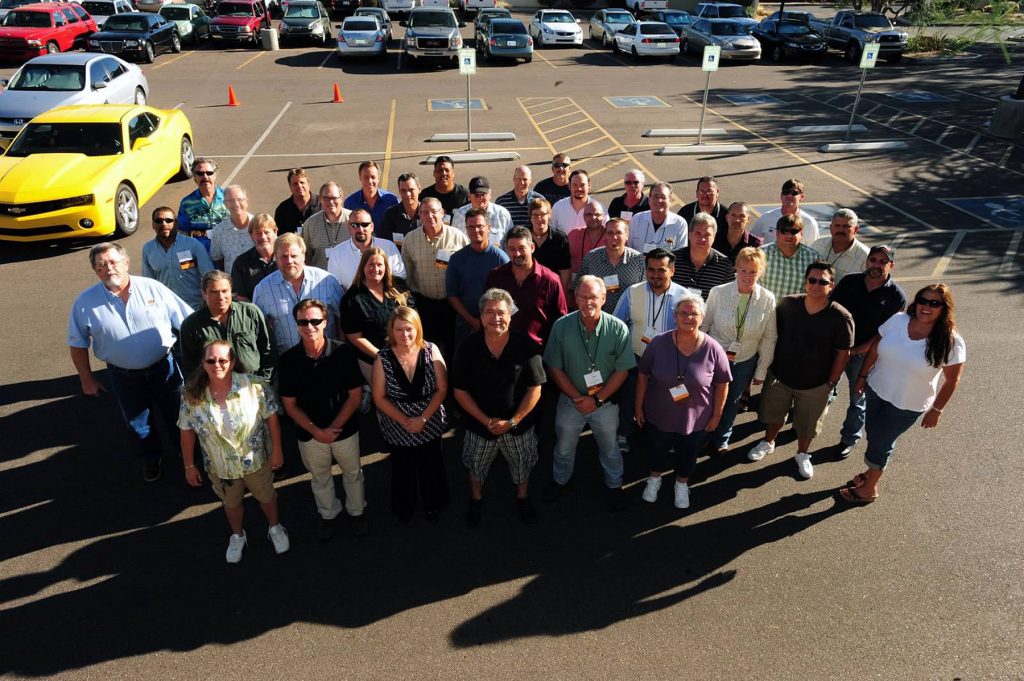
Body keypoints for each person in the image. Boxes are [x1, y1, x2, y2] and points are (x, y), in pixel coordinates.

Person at [69, 242, 193, 482]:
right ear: (96, 271)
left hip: (164, 367)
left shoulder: (153, 289)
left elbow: (187, 322)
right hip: (122, 375)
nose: (109, 268)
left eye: (113, 262)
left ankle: (186, 452)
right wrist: (86, 379)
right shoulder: (84, 302)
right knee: (138, 421)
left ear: (126, 262)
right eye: (102, 265)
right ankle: (151, 457)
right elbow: (77, 342)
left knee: (178, 414)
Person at [840, 284, 966, 504]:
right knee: (875, 434)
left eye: (934, 303)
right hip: (877, 390)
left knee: (880, 440)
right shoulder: (899, 321)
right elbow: (876, 346)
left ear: (944, 308)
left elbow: (952, 380)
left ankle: (870, 488)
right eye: (923, 300)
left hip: (907, 403)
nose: (927, 306)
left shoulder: (951, 342)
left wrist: (936, 410)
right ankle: (871, 472)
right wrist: (862, 376)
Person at [178, 339, 288, 563]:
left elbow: (272, 418)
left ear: (233, 361)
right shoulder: (191, 395)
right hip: (221, 466)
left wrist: (277, 450)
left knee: (266, 496)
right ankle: (238, 535)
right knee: (231, 502)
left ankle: (275, 528)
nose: (216, 364)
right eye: (211, 360)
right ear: (203, 362)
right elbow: (186, 430)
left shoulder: (255, 385)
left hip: (256, 459)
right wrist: (189, 465)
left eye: (222, 360)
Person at [747, 262, 854, 480]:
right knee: (773, 415)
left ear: (831, 285)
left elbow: (844, 353)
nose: (816, 285)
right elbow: (770, 335)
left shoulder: (841, 317)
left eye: (822, 281)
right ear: (805, 282)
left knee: (808, 424)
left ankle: (803, 454)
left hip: (816, 384)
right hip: (780, 376)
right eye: (812, 280)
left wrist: (831, 382)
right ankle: (768, 442)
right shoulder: (787, 304)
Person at [452, 288, 546, 526]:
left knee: (522, 463)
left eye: (501, 313)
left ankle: (522, 497)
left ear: (510, 315)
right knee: (475, 465)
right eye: (489, 312)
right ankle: (476, 498)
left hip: (517, 425)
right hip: (479, 425)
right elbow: (459, 391)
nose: (496, 318)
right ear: (481, 316)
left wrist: (513, 421)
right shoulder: (467, 347)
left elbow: (535, 388)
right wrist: (486, 421)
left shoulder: (525, 344)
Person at [542, 276, 635, 511]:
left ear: (604, 298)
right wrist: (578, 399)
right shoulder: (561, 326)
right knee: (563, 445)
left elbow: (623, 370)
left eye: (593, 297)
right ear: (575, 298)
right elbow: (554, 367)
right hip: (570, 400)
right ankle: (560, 480)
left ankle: (614, 484)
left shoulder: (618, 328)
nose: (587, 302)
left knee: (610, 446)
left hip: (604, 402)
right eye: (582, 297)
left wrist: (597, 399)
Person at [279, 299, 367, 540]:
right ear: (296, 325)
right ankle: (328, 514)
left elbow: (355, 395)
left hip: (344, 430)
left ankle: (357, 511)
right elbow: (289, 405)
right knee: (320, 478)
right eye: (303, 322)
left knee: (353, 473)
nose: (310, 326)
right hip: (310, 435)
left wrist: (333, 428)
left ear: (325, 322)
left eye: (315, 321)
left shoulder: (344, 352)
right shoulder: (287, 360)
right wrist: (316, 431)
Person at [635, 294, 731, 509]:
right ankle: (654, 479)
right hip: (659, 415)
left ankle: (681, 484)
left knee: (688, 454)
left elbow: (723, 383)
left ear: (702, 317)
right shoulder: (659, 343)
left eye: (694, 314)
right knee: (656, 449)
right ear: (675, 317)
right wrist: (638, 407)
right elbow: (642, 374)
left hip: (695, 420)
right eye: (683, 313)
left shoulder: (713, 348)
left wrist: (716, 415)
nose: (688, 317)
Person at [371, 306, 450, 522]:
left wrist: (422, 419)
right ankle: (404, 507)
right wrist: (406, 421)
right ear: (391, 331)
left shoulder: (431, 350)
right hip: (398, 424)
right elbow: (379, 398)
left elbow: (442, 389)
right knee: (402, 469)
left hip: (430, 419)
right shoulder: (382, 358)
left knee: (431, 465)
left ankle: (433, 503)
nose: (405, 335)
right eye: (399, 330)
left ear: (417, 329)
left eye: (409, 329)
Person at [829, 244, 906, 458]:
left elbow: (883, 334)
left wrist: (853, 352)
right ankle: (806, 426)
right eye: (873, 260)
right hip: (836, 348)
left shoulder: (896, 295)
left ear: (891, 265)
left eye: (883, 262)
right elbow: (831, 311)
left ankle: (849, 438)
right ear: (867, 261)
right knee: (822, 389)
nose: (877, 265)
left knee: (857, 398)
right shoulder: (850, 282)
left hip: (863, 354)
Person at [701, 247, 777, 452]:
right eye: (743, 270)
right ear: (736, 269)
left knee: (732, 401)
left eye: (753, 271)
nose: (747, 276)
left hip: (745, 359)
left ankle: (722, 437)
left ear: (760, 272)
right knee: (708, 397)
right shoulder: (718, 292)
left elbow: (769, 338)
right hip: (715, 357)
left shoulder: (768, 299)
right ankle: (703, 434)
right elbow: (704, 325)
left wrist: (761, 371)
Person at [612, 248, 687, 452]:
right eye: (651, 270)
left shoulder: (684, 296)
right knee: (628, 397)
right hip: (635, 357)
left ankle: (664, 435)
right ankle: (624, 433)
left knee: (665, 400)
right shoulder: (632, 292)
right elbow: (617, 324)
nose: (655, 274)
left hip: (668, 360)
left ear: (672, 270)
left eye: (661, 270)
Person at [253, 233, 344, 354]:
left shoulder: (327, 281)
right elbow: (258, 330)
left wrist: (340, 351)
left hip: (328, 359)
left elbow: (342, 320)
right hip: (286, 363)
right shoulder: (262, 290)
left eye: (294, 256)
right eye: (284, 256)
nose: (289, 261)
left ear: (303, 256)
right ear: (275, 257)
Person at [402, 197, 469, 359]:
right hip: (425, 304)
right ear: (419, 215)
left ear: (442, 213)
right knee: (426, 349)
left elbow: (467, 268)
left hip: (452, 304)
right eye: (425, 212)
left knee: (453, 349)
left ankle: (452, 382)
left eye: (434, 212)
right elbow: (406, 275)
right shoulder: (410, 240)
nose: (430, 216)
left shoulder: (458, 237)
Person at [179, 271, 274, 381]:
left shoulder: (251, 313)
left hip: (254, 385)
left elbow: (268, 350)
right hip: (214, 390)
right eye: (214, 292)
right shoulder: (191, 325)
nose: (221, 297)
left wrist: (263, 381)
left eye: (224, 291)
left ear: (231, 291)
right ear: (204, 294)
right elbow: (190, 367)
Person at [341, 247, 415, 382]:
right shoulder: (352, 298)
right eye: (371, 265)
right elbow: (355, 337)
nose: (376, 269)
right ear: (363, 267)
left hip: (406, 354)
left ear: (386, 267)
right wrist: (384, 357)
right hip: (373, 361)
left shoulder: (398, 286)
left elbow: (413, 319)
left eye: (380, 265)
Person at [485, 226, 566, 347]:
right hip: (502, 348)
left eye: (522, 248)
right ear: (506, 250)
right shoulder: (496, 277)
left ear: (532, 247)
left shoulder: (550, 280)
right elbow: (487, 312)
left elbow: (560, 321)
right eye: (512, 249)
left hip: (536, 351)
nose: (517, 253)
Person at [446, 207, 510, 348]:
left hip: (495, 324)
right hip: (466, 323)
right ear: (466, 229)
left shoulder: (501, 259)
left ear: (488, 227)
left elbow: (508, 297)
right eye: (471, 227)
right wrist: (472, 321)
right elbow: (452, 295)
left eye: (480, 226)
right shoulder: (457, 259)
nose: (476, 230)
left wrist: (489, 320)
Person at [140, 206, 214, 309]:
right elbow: (148, 284)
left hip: (195, 308)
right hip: (166, 310)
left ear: (176, 223)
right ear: (153, 225)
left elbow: (209, 276)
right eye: (159, 221)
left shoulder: (193, 245)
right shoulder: (148, 249)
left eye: (168, 220)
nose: (164, 224)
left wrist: (208, 302)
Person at [575, 218, 645, 313]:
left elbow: (645, 291)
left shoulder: (638, 260)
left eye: (618, 233)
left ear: (627, 236)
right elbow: (577, 287)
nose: (614, 237)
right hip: (597, 318)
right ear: (605, 235)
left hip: (629, 319)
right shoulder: (591, 258)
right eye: (610, 233)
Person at [325, 208, 405, 289]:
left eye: (364, 224)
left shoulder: (389, 247)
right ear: (349, 227)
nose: (360, 229)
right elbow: (335, 285)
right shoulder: (337, 253)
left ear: (372, 226)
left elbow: (400, 277)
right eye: (355, 225)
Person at [670, 212, 736, 300]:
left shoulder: (725, 265)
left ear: (714, 237)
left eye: (707, 235)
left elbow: (729, 298)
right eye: (698, 234)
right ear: (689, 234)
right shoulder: (672, 260)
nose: (702, 239)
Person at [759, 214, 820, 299]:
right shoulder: (760, 254)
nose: (789, 236)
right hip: (765, 310)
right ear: (776, 233)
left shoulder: (813, 258)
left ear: (801, 233)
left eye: (794, 231)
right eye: (784, 231)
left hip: (797, 311)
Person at [177, 157, 227, 251]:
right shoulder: (187, 203)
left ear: (215, 175)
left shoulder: (229, 197)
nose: (205, 177)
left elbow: (241, 224)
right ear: (194, 177)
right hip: (202, 254)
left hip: (227, 251)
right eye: (200, 173)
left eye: (209, 173)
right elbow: (182, 233)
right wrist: (187, 264)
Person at [750, 178, 820, 244]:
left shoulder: (810, 223)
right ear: (781, 196)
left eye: (794, 193)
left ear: (801, 197)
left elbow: (815, 249)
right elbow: (750, 241)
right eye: (786, 192)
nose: (789, 195)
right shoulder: (766, 218)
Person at [811, 208, 871, 284]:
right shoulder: (817, 245)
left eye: (846, 226)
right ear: (830, 227)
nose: (840, 230)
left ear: (855, 229)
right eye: (837, 225)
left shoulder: (865, 257)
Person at [301, 181, 351, 270]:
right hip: (320, 280)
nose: (331, 202)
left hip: (349, 279)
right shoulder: (310, 224)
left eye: (334, 198)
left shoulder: (353, 221)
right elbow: (305, 255)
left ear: (341, 198)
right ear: (320, 199)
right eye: (326, 198)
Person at [627, 182, 688, 254]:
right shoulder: (637, 219)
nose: (659, 200)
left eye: (663, 197)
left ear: (670, 200)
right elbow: (628, 248)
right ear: (649, 199)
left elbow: (681, 254)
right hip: (638, 265)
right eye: (656, 196)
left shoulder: (679, 224)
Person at [452, 176, 513, 245]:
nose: (480, 198)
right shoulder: (460, 215)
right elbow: (455, 243)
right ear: (469, 196)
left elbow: (511, 242)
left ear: (490, 194)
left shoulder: (502, 214)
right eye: (476, 195)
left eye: (483, 194)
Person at [529, 197, 572, 295]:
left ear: (549, 216)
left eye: (543, 214)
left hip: (552, 291)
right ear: (530, 217)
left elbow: (565, 272)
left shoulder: (559, 238)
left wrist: (561, 295)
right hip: (528, 290)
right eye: (535, 215)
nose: (539, 218)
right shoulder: (524, 237)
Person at [231, 213, 278, 302]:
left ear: (275, 232)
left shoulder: (287, 258)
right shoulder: (241, 263)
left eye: (267, 232)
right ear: (251, 235)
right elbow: (242, 299)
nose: (263, 237)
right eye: (258, 233)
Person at [209, 185, 254, 275]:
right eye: (231, 201)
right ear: (225, 204)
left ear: (246, 202)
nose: (236, 204)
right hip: (234, 285)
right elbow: (218, 259)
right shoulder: (218, 231)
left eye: (240, 200)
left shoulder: (260, 225)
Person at [344, 160, 399, 228]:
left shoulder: (391, 200)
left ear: (378, 178)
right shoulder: (350, 203)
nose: (370, 181)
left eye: (373, 177)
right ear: (360, 178)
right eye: (366, 177)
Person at [419, 155, 469, 219]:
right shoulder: (425, 195)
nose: (443, 173)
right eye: (440, 170)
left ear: (453, 173)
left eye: (447, 170)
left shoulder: (464, 194)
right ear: (434, 173)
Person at [274, 167, 320, 235]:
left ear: (308, 184)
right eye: (295, 184)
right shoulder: (282, 210)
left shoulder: (322, 204)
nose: (299, 186)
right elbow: (278, 236)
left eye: (302, 182)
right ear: (290, 187)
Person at [380, 172, 421, 247]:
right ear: (399, 191)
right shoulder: (390, 215)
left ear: (419, 189)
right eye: (403, 190)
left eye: (411, 190)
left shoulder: (429, 213)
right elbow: (385, 243)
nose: (407, 194)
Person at [567, 199, 607, 275]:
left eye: (597, 214)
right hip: (577, 280)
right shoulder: (573, 234)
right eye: (589, 214)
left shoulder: (612, 236)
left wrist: (613, 287)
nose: (593, 217)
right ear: (584, 217)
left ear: (603, 216)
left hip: (604, 281)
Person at [551, 169, 591, 234]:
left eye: (582, 185)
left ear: (589, 185)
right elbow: (551, 233)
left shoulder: (600, 209)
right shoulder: (558, 207)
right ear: (569, 186)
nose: (579, 188)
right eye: (575, 185)